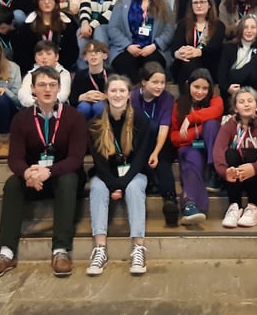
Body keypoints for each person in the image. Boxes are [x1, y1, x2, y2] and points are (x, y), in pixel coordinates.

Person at [0, 66, 88, 280]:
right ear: (32, 89)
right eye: (42, 84)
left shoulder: (74, 117)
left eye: (52, 84)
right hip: (33, 177)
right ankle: (6, 252)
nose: (47, 89)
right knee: (12, 184)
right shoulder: (21, 119)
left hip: (62, 174)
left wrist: (48, 171)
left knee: (68, 180)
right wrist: (27, 174)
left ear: (59, 88)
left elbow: (76, 159)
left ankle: (60, 250)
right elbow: (15, 159)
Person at [86, 74, 151, 276]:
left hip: (134, 172)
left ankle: (138, 247)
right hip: (107, 174)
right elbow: (99, 161)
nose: (117, 94)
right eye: (113, 90)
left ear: (129, 94)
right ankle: (100, 249)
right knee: (96, 187)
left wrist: (122, 184)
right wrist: (113, 184)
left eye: (122, 90)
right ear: (106, 94)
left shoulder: (141, 120)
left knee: (134, 188)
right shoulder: (96, 122)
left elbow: (141, 158)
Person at [213, 87, 257, 228]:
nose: (246, 104)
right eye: (241, 102)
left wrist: (254, 168)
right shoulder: (229, 126)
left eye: (249, 101)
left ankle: (255, 207)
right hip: (236, 178)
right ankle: (234, 206)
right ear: (235, 108)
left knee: (253, 153)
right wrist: (224, 171)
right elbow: (218, 150)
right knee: (230, 153)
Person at [170, 68, 224, 225]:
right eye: (196, 87)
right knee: (192, 159)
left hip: (211, 147)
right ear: (188, 85)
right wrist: (196, 132)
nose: (200, 92)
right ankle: (190, 205)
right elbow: (174, 137)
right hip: (189, 148)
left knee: (212, 124)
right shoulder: (178, 105)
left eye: (205, 88)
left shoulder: (216, 100)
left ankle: (214, 171)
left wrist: (190, 119)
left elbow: (217, 112)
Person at [130, 62, 179, 226]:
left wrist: (155, 152)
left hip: (161, 141)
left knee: (163, 161)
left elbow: (164, 128)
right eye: (155, 82)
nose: (160, 86)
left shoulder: (167, 98)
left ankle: (170, 200)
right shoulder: (132, 97)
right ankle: (151, 183)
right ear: (144, 82)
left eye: (162, 83)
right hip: (138, 141)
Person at [108, 0, 175, 84]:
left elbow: (169, 30)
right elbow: (113, 28)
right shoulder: (122, 2)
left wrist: (154, 46)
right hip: (126, 49)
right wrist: (128, 46)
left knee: (152, 69)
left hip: (154, 49)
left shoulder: (163, 4)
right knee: (126, 66)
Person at [16, 0, 80, 75]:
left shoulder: (66, 22)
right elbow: (23, 52)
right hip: (35, 69)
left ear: (55, 1)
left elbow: (72, 50)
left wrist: (57, 65)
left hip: (61, 68)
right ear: (37, 2)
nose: (47, 2)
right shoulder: (28, 24)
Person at [171, 0, 225, 90]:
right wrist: (178, 53)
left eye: (202, 2)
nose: (198, 6)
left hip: (208, 64)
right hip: (185, 63)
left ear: (209, 5)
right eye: (195, 3)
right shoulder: (183, 24)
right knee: (189, 62)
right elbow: (175, 46)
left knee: (194, 61)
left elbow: (215, 48)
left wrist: (198, 52)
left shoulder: (218, 25)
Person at [218, 14, 257, 108]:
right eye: (246, 27)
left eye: (253, 27)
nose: (249, 31)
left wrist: (233, 74)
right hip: (232, 95)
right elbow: (221, 75)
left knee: (254, 73)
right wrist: (227, 88)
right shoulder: (228, 47)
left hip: (256, 94)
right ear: (241, 29)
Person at [77, 0, 124, 68]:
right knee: (80, 31)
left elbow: (111, 13)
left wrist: (91, 26)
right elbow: (84, 9)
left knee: (100, 30)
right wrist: (84, 24)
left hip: (108, 26)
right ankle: (84, 69)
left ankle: (104, 68)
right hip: (89, 26)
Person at [18, 40, 71, 108]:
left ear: (56, 57)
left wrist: (46, 102)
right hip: (35, 106)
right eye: (40, 54)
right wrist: (34, 102)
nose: (44, 57)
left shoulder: (63, 74)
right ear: (35, 58)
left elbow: (63, 94)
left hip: (58, 107)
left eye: (48, 54)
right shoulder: (31, 74)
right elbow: (22, 93)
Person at [69, 39, 111, 121]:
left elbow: (118, 93)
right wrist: (82, 97)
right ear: (85, 57)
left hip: (104, 104)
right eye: (90, 52)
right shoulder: (80, 75)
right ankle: (81, 131)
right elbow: (72, 98)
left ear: (104, 56)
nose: (93, 55)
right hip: (85, 104)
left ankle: (102, 132)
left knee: (99, 107)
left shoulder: (111, 74)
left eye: (97, 52)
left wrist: (105, 96)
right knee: (84, 107)